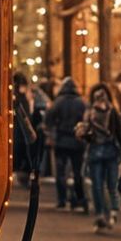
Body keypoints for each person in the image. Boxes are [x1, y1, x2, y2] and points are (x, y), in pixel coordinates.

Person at [79, 82, 121, 231]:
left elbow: (85, 133)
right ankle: (111, 212)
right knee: (110, 184)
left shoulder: (89, 113)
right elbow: (119, 132)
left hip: (95, 151)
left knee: (98, 186)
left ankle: (101, 215)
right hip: (110, 150)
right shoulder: (112, 111)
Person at [46, 76, 87, 211]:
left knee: (61, 172)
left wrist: (51, 134)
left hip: (61, 141)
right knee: (77, 172)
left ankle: (62, 200)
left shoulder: (58, 102)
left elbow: (49, 119)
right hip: (77, 142)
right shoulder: (81, 103)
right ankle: (78, 199)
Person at [12, 73, 43, 181]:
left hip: (19, 129)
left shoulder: (17, 96)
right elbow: (25, 115)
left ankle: (23, 171)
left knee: (21, 149)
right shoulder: (20, 98)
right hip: (21, 129)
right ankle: (26, 171)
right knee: (24, 149)